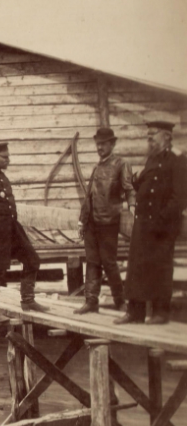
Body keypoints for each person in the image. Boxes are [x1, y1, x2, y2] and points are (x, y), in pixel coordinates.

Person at [116, 120, 187, 325]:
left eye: (153, 134)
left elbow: (180, 197)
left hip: (163, 225)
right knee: (137, 266)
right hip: (144, 222)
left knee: (160, 268)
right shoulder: (152, 159)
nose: (149, 138)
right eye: (148, 134)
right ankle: (135, 312)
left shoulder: (178, 160)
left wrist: (162, 219)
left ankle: (160, 312)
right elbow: (143, 183)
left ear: (166, 136)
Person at [0, 142, 49, 321]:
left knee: (32, 260)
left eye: (8, 156)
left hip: (11, 228)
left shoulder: (0, 176)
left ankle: (28, 300)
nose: (8, 160)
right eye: (4, 157)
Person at [74, 127, 136, 314]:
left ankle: (120, 301)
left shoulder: (121, 164)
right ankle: (91, 301)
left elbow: (129, 188)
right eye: (98, 144)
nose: (99, 147)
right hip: (91, 223)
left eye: (103, 144)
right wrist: (82, 221)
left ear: (112, 144)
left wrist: (132, 207)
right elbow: (89, 197)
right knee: (92, 261)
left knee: (109, 262)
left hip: (109, 222)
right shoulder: (97, 167)